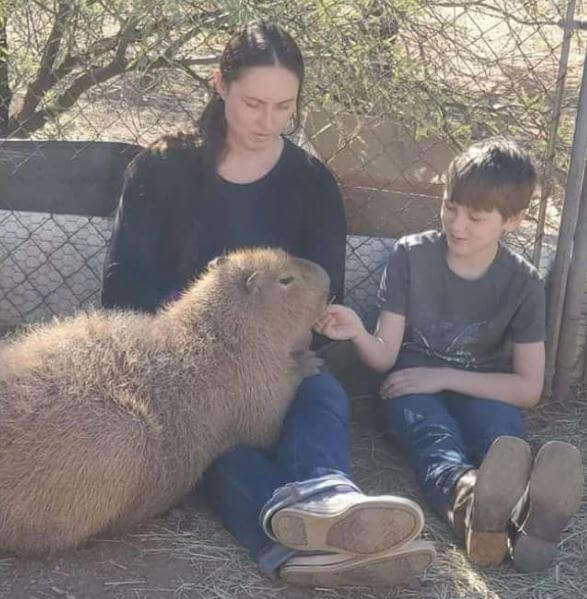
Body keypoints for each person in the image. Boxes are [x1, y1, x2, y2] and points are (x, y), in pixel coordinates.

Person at [101, 20, 436, 587]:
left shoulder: (310, 183)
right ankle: (295, 544)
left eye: (284, 107)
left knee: (321, 388)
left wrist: (313, 329)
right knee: (209, 441)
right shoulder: (160, 168)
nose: (268, 121)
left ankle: (329, 499)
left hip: (278, 364)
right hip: (179, 367)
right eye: (254, 103)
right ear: (219, 85)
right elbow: (121, 287)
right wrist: (209, 340)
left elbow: (323, 293)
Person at [314, 137, 584, 572]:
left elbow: (528, 388)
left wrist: (442, 377)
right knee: (433, 438)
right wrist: (359, 333)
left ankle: (524, 515)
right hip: (410, 387)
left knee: (501, 439)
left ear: (512, 220)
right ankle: (471, 504)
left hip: (482, 387)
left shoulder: (524, 283)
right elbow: (384, 357)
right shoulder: (411, 255)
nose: (457, 225)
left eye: (475, 217)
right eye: (450, 207)